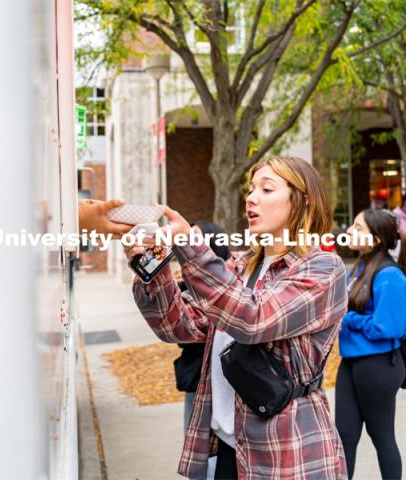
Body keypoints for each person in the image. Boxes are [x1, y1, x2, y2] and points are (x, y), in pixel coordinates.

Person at [125, 156, 348, 479]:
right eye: (251, 188)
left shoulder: (322, 269)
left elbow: (254, 318)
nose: (251, 197)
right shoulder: (240, 267)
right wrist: (151, 268)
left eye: (266, 188)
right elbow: (179, 325)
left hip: (287, 452)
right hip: (232, 448)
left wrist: (189, 243)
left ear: (303, 200)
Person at [335, 208, 406, 480]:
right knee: (344, 436)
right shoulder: (359, 267)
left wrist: (351, 319)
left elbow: (390, 327)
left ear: (375, 239)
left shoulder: (390, 275)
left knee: (382, 437)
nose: (349, 232)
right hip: (351, 363)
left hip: (378, 366)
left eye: (357, 227)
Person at [173, 221, 230, 480]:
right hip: (195, 374)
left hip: (219, 376)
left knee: (214, 451)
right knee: (196, 444)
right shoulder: (187, 281)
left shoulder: (226, 279)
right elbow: (180, 331)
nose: (188, 243)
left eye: (195, 238)